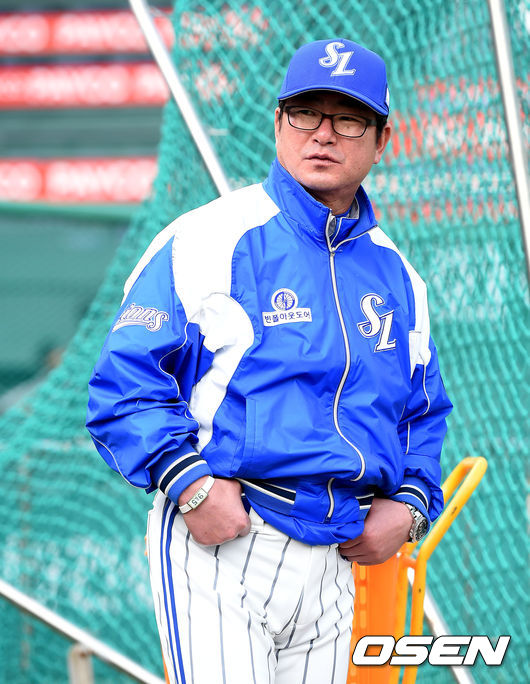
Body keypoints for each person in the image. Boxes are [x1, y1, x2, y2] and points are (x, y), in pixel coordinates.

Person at [86, 38, 452, 684]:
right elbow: (124, 387)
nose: (324, 134)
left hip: (338, 553)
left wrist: (413, 503)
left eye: (349, 119)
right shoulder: (210, 238)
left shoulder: (398, 275)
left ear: (382, 139)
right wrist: (191, 486)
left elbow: (421, 413)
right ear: (279, 122)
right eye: (306, 113)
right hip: (228, 537)